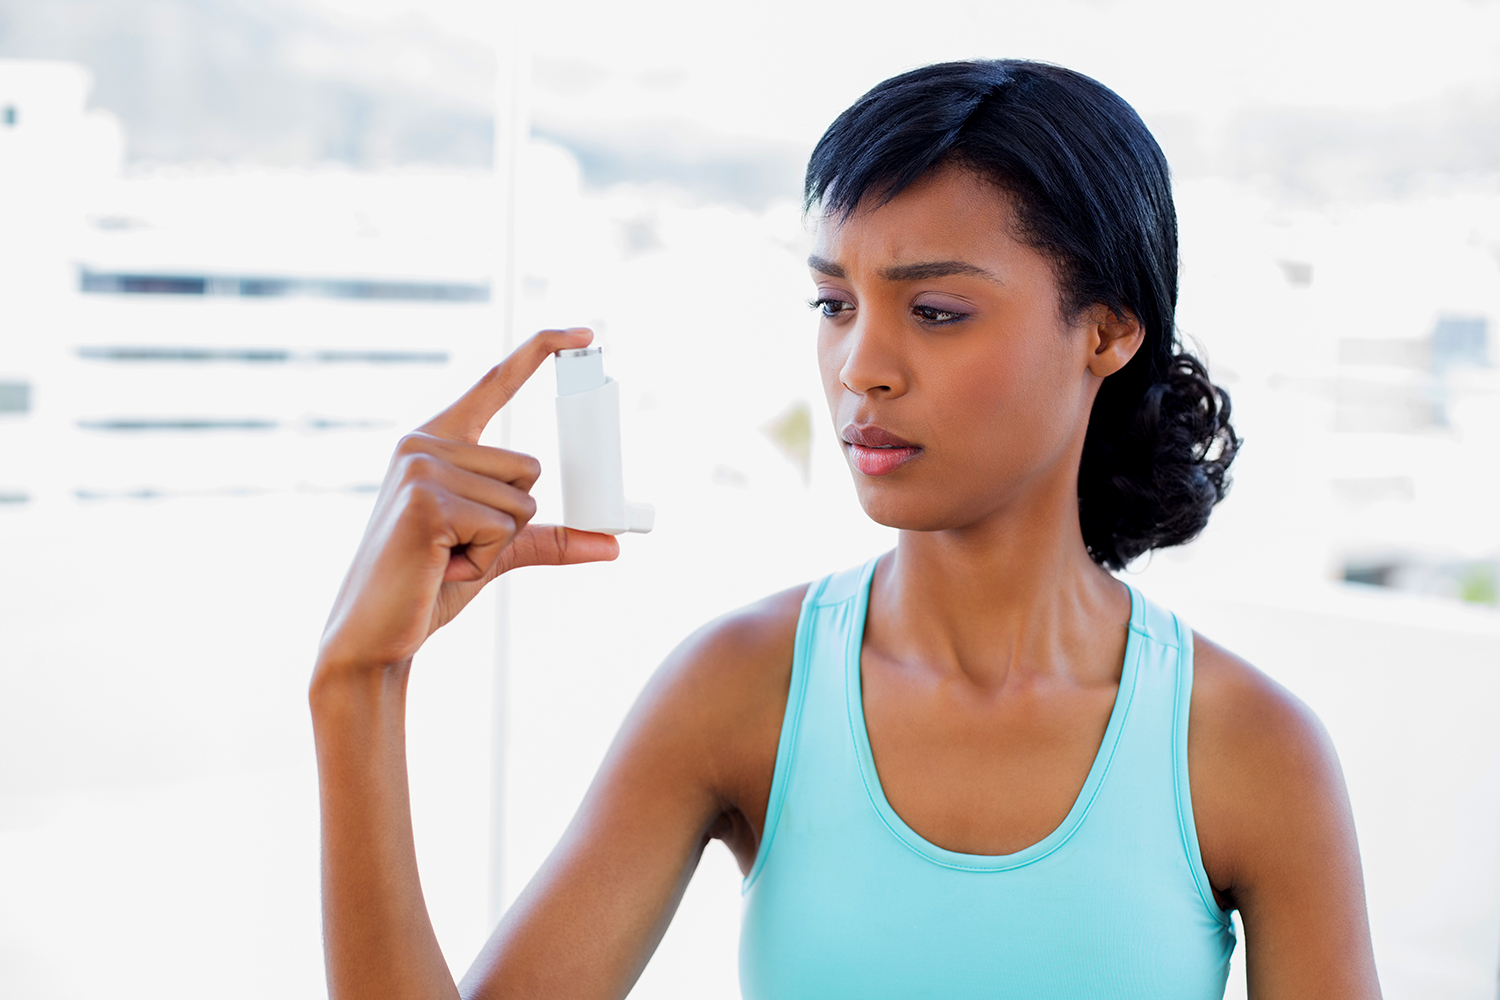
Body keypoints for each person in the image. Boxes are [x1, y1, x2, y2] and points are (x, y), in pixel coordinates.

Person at [310, 60, 1382, 999]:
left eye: (936, 311)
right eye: (834, 303)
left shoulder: (1250, 754)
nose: (862, 365)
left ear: (1105, 331)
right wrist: (360, 681)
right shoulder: (739, 691)